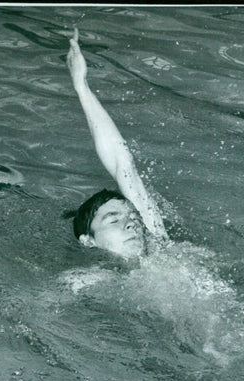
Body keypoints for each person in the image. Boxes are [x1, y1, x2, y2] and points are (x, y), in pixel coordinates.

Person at [64, 29, 168, 260]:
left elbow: (123, 165)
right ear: (88, 241)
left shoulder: (161, 250)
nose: (131, 224)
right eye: (113, 219)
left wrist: (82, 87)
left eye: (133, 216)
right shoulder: (82, 283)